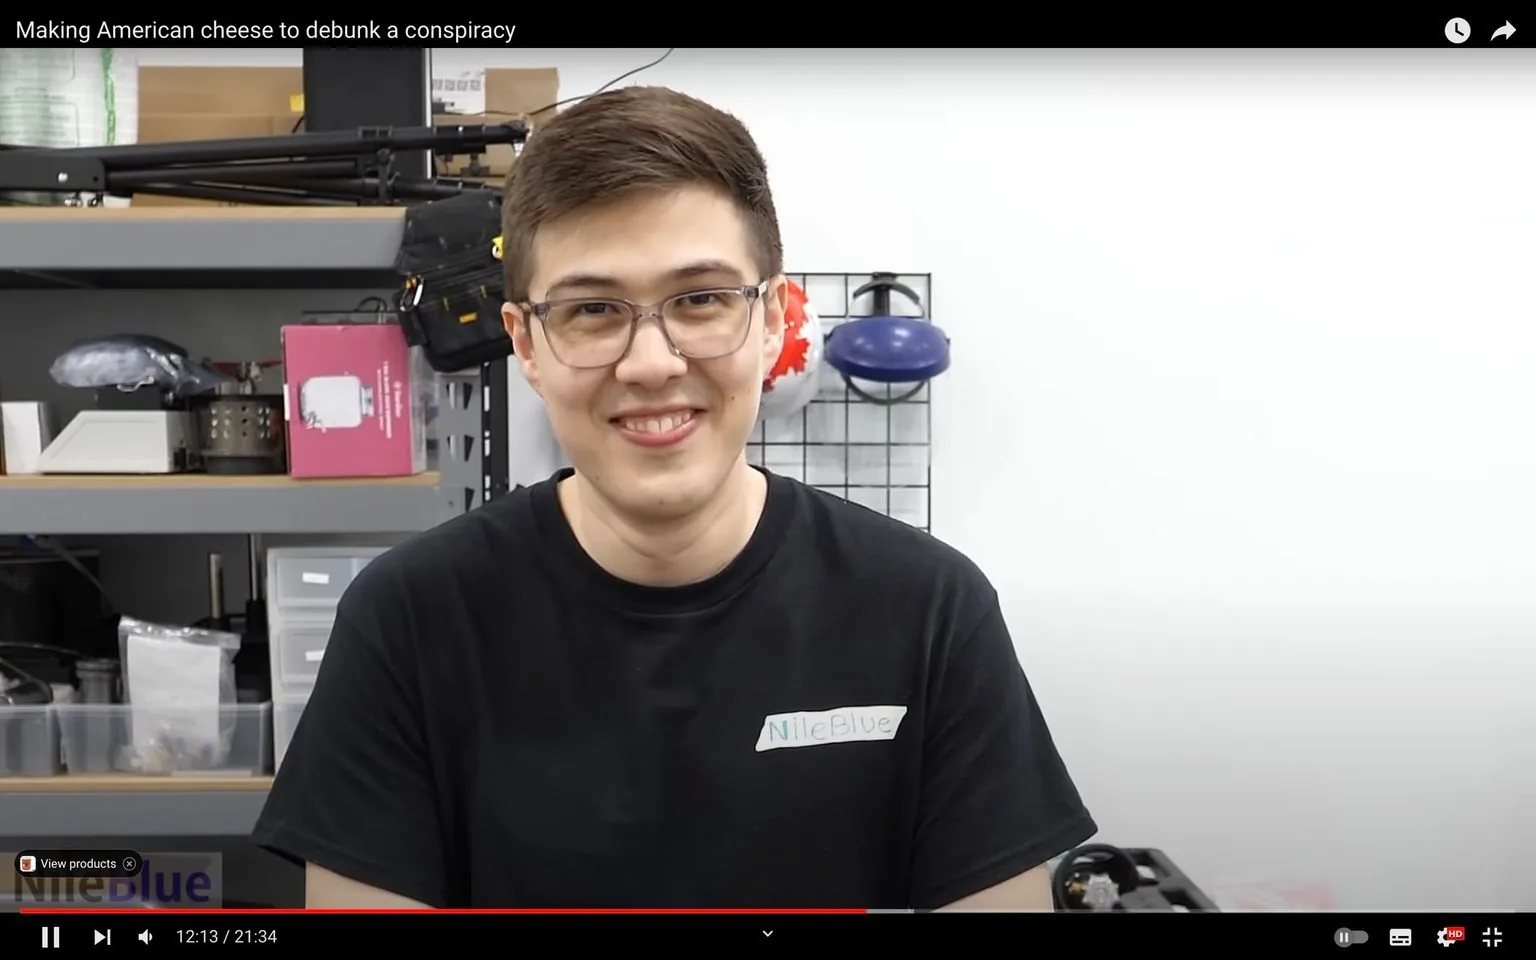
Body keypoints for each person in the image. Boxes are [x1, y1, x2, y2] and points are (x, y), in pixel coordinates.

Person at [252, 86, 1096, 910]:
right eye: (591, 310)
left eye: (699, 300)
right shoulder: (410, 620)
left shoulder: (930, 612)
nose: (650, 362)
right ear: (527, 346)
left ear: (775, 320)